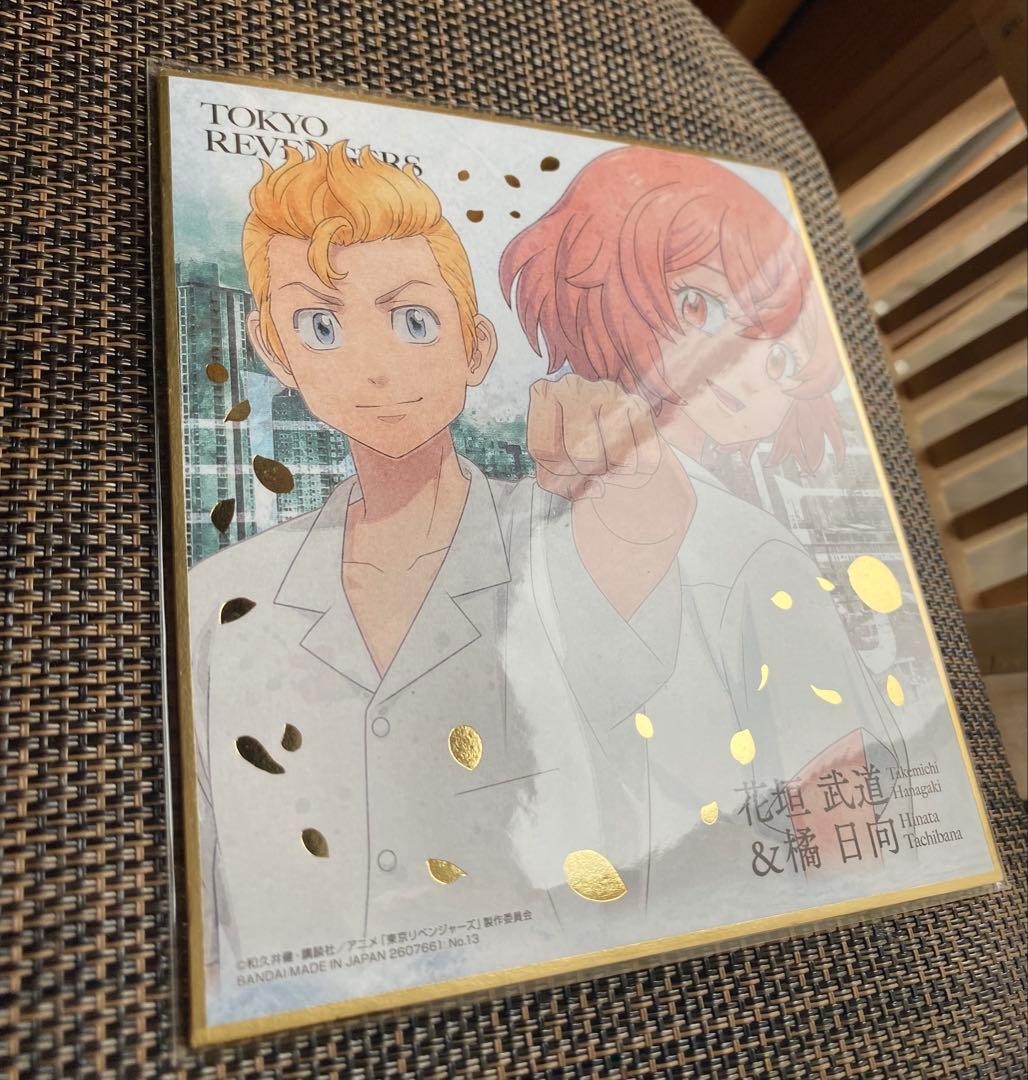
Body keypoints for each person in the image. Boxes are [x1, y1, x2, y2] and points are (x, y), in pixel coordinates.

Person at [187, 142, 693, 1019]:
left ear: (476, 344)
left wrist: (628, 496)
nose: (375, 367)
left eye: (414, 320)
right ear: (274, 350)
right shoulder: (220, 601)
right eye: (320, 327)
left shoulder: (562, 543)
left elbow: (653, 743)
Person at [500, 146, 910, 919]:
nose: (742, 369)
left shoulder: (518, 517)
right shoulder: (756, 553)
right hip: (717, 905)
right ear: (603, 282)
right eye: (699, 307)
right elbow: (846, 829)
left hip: (575, 901)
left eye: (780, 356)